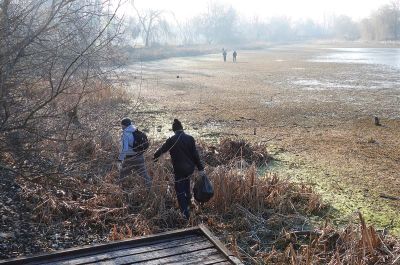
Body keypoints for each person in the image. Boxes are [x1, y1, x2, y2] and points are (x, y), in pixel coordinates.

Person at [153, 119, 205, 219]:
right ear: (182, 128)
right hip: (189, 168)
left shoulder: (172, 139)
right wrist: (200, 168)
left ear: (174, 130)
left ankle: (185, 213)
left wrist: (155, 157)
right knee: (187, 184)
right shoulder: (190, 138)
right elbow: (195, 155)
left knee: (179, 190)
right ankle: (189, 203)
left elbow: (161, 150)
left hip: (179, 169)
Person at [118, 118, 151, 187]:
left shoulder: (125, 134)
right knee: (144, 175)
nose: (121, 127)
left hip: (129, 159)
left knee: (122, 175)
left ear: (124, 125)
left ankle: (119, 190)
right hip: (139, 156)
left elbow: (125, 149)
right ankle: (150, 188)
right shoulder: (136, 130)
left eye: (122, 125)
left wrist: (120, 159)